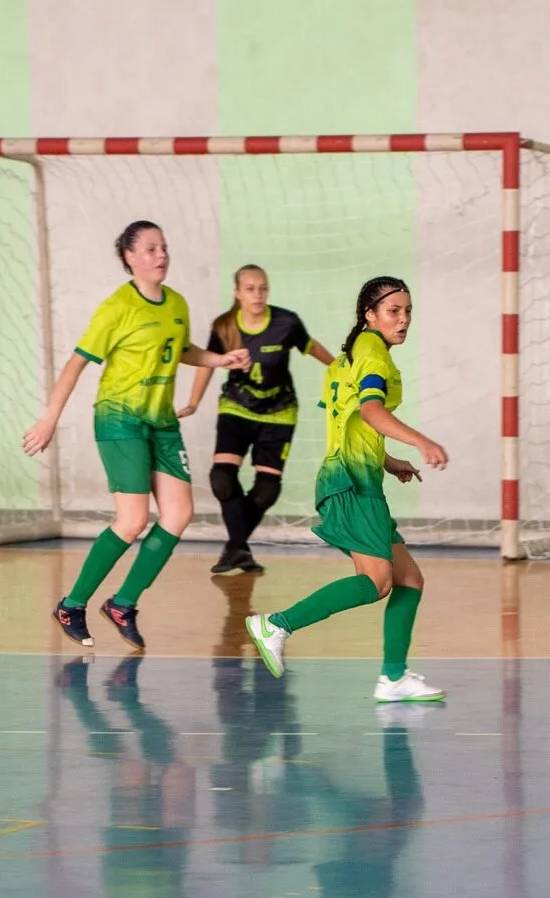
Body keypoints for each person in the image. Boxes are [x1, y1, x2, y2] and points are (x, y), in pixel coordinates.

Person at [24, 220, 250, 650]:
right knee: (132, 520)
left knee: (178, 515)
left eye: (163, 247)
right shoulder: (117, 308)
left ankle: (122, 604)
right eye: (149, 249)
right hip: (119, 420)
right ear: (129, 257)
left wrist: (221, 360)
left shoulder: (177, 304)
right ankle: (72, 604)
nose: (160, 255)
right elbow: (75, 364)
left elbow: (181, 350)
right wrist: (49, 417)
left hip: (161, 422)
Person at [244, 276, 449, 704]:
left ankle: (393, 678)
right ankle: (276, 624)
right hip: (351, 483)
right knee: (376, 583)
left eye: (408, 311)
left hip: (356, 477)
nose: (404, 319)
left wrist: (390, 462)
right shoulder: (373, 353)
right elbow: (371, 410)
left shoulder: (346, 358)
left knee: (409, 578)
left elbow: (347, 423)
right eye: (394, 311)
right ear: (369, 315)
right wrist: (421, 441)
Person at [178, 264, 335, 575]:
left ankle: (235, 548)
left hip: (280, 410)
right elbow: (207, 364)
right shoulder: (224, 327)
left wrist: (341, 371)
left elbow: (312, 347)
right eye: (250, 288)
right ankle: (238, 549)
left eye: (263, 288)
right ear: (237, 293)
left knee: (267, 491)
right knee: (222, 479)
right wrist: (194, 402)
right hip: (237, 406)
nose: (258, 294)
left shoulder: (286, 322)